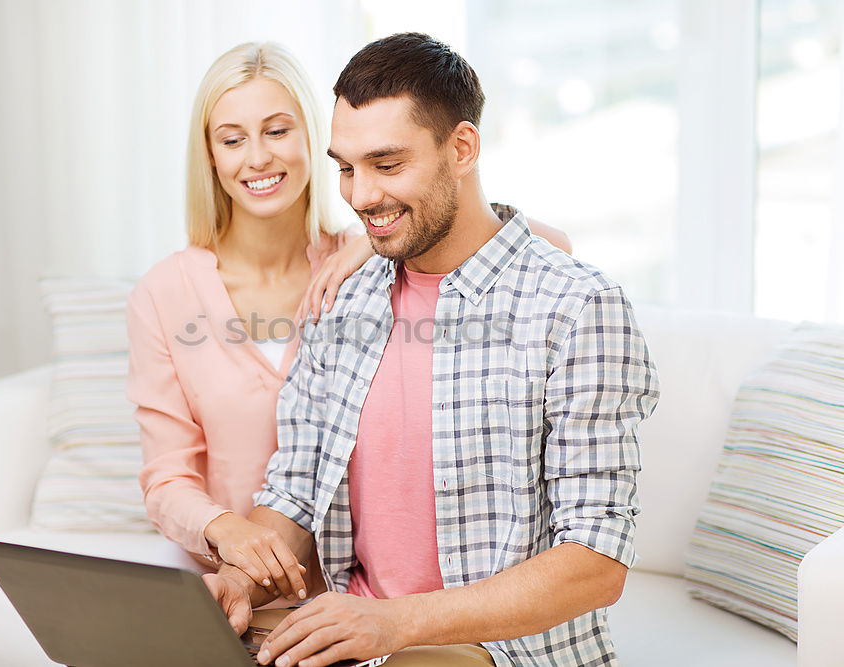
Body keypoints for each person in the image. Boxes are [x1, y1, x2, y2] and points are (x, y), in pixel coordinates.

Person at [205, 33, 660, 667]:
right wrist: (240, 578)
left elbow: (595, 561)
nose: (361, 196)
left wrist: (393, 625)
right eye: (345, 167)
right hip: (356, 638)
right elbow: (296, 493)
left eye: (387, 165)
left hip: (500, 652)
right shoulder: (341, 299)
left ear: (463, 148)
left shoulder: (577, 306)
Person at [126, 41, 573, 604]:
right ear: (210, 155)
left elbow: (540, 251)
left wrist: (371, 239)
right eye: (232, 139)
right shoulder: (166, 294)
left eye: (278, 130)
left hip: (352, 594)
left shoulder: (379, 255)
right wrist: (228, 533)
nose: (258, 157)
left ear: (317, 140)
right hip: (246, 577)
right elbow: (169, 476)